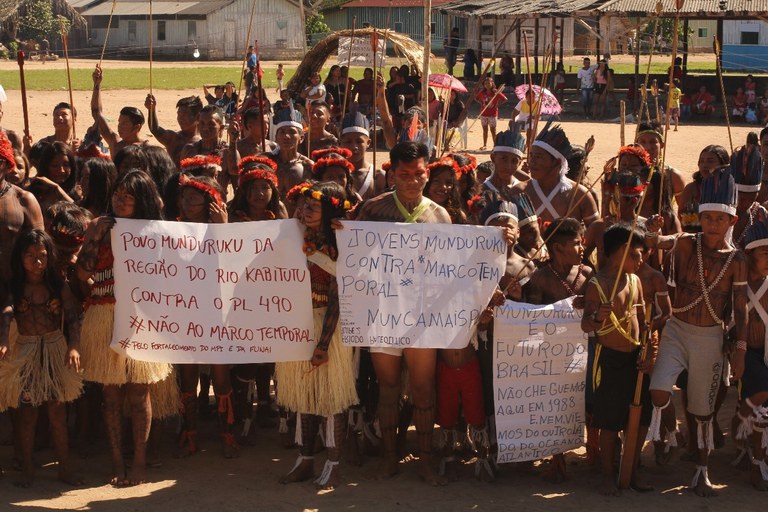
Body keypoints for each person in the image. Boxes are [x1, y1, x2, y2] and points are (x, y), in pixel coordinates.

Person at [645, 167, 748, 497]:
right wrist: (653, 232)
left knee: (703, 411)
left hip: (711, 338)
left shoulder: (737, 260)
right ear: (699, 218)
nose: (713, 225)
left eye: (720, 219)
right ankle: (670, 428)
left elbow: (741, 305)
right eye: (708, 218)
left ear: (732, 221)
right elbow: (659, 242)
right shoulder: (688, 244)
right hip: (677, 330)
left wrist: (741, 344)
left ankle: (701, 471)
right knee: (659, 391)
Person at [354, 141, 451, 485]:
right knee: (389, 387)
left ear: (428, 172)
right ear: (392, 173)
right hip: (384, 314)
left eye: (419, 173)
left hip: (422, 317)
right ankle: (390, 457)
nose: (412, 180)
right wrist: (345, 236)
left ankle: (424, 460)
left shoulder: (440, 215)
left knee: (423, 389)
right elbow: (356, 262)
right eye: (405, 174)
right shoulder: (373, 210)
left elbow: (450, 270)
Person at [75, 170, 172, 486]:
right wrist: (94, 238)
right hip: (103, 314)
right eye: (117, 194)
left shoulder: (156, 232)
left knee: (139, 392)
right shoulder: (97, 226)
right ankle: (117, 461)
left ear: (141, 200)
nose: (120, 199)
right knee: (111, 395)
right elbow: (81, 274)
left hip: (142, 318)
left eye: (128, 196)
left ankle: (140, 462)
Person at [276, 181, 358, 489]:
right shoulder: (292, 237)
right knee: (303, 399)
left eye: (313, 206)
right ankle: (305, 461)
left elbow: (338, 298)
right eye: (303, 204)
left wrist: (323, 344)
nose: (304, 210)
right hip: (295, 326)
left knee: (331, 401)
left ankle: (334, 465)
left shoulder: (339, 245)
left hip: (328, 329)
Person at [0, 230, 83, 487]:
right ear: (20, 258)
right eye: (30, 255)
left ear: (50, 257)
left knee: (58, 413)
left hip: (55, 350)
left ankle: (65, 468)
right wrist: (3, 339)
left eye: (42, 256)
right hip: (26, 353)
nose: (37, 261)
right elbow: (7, 312)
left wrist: (74, 346)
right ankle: (27, 470)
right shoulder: (15, 286)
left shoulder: (57, 285)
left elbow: (72, 315)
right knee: (27, 415)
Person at [581, 224, 651, 496]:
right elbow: (587, 326)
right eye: (635, 253)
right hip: (609, 361)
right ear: (618, 252)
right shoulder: (597, 285)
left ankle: (631, 471)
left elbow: (644, 323)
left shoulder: (635, 281)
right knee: (609, 423)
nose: (641, 259)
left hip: (636, 360)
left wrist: (648, 352)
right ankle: (607, 476)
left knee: (640, 419)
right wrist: (598, 317)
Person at [526, 217, 592, 482]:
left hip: (583, 350)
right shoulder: (540, 279)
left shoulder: (587, 274)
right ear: (557, 248)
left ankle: (594, 450)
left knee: (586, 402)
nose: (581, 248)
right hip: (552, 355)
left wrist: (588, 303)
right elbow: (532, 317)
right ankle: (557, 457)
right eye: (575, 243)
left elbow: (598, 307)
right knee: (555, 406)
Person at [512, 123, 599, 227]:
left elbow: (595, 231)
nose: (532, 162)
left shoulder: (579, 195)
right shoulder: (518, 192)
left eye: (539, 157)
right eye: (531, 156)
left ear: (557, 162)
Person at [735, 218, 768, 490]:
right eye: (765, 252)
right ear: (751, 254)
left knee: (764, 411)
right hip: (746, 351)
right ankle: (742, 414)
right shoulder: (738, 283)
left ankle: (759, 460)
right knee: (762, 397)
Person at [91, 65, 147, 157]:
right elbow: (96, 114)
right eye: (119, 123)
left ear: (137, 127)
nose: (119, 127)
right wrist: (97, 84)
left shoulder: (147, 149)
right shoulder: (116, 144)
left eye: (124, 123)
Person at [266, 108, 313, 206]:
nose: (286, 136)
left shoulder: (308, 167)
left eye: (292, 132)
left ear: (301, 138)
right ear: (276, 137)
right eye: (282, 132)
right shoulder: (265, 162)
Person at [144, 95, 203, 167]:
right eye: (179, 115)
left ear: (198, 116)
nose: (180, 119)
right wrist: (151, 110)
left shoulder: (205, 139)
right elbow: (155, 129)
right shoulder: (174, 139)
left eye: (184, 115)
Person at [339, 112, 385, 200]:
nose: (354, 147)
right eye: (348, 142)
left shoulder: (378, 177)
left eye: (359, 141)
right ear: (340, 142)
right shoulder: (334, 174)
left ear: (368, 143)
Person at [482, 128, 526, 201]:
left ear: (519, 163)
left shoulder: (523, 191)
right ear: (493, 158)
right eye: (504, 159)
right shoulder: (482, 191)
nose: (508, 166)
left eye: (514, 161)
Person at [476, 76, 507, 151]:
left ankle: (495, 145)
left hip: (492, 114)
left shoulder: (496, 92)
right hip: (484, 114)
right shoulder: (482, 92)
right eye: (485, 83)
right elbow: (476, 98)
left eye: (488, 83)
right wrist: (482, 103)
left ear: (492, 83)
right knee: (485, 130)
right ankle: (484, 145)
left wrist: (497, 104)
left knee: (493, 130)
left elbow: (505, 99)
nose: (487, 84)